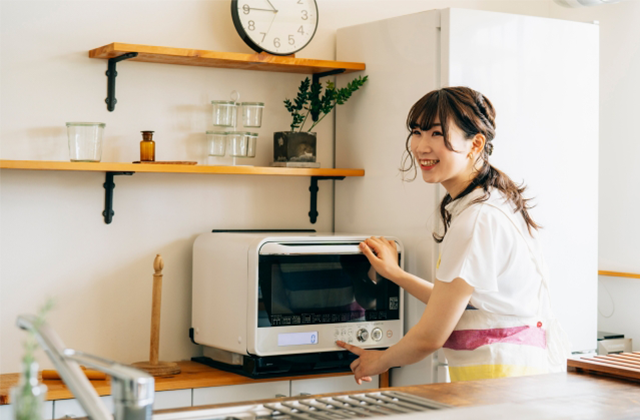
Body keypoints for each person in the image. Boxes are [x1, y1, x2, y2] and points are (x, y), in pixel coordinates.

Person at [336, 86, 571, 383]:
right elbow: (457, 303)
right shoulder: (490, 202)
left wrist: (379, 361)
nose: (421, 146)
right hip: (514, 381)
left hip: (501, 387)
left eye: (436, 134)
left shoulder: (477, 219)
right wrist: (395, 273)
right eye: (417, 132)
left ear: (475, 144)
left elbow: (431, 336)